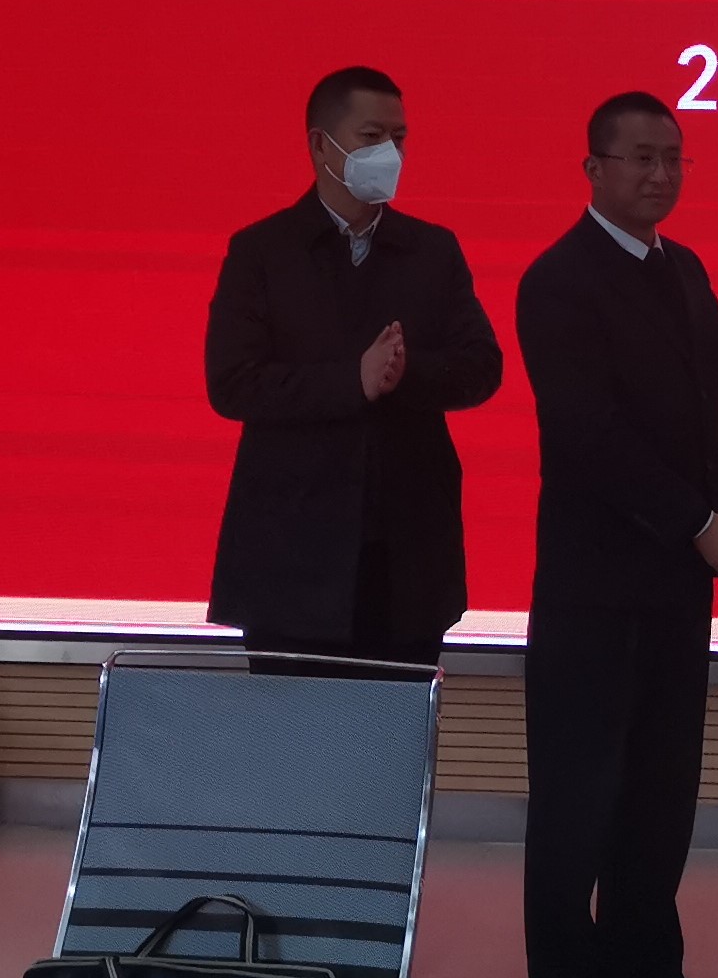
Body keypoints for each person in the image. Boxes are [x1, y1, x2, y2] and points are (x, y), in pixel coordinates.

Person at [514, 90, 718, 978]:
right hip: (594, 586)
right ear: (595, 168)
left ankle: (646, 975)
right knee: (578, 802)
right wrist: (700, 522)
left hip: (674, 586)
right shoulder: (558, 280)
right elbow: (591, 436)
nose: (661, 174)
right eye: (642, 157)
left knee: (661, 791)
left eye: (674, 157)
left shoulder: (682, 267)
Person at [202, 65, 503, 669]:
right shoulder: (263, 251)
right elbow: (233, 383)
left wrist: (404, 373)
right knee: (294, 727)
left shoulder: (431, 250)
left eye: (399, 137)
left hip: (407, 559)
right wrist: (352, 381)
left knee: (397, 725)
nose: (389, 152)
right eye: (371, 137)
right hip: (292, 556)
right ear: (321, 145)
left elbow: (481, 367)